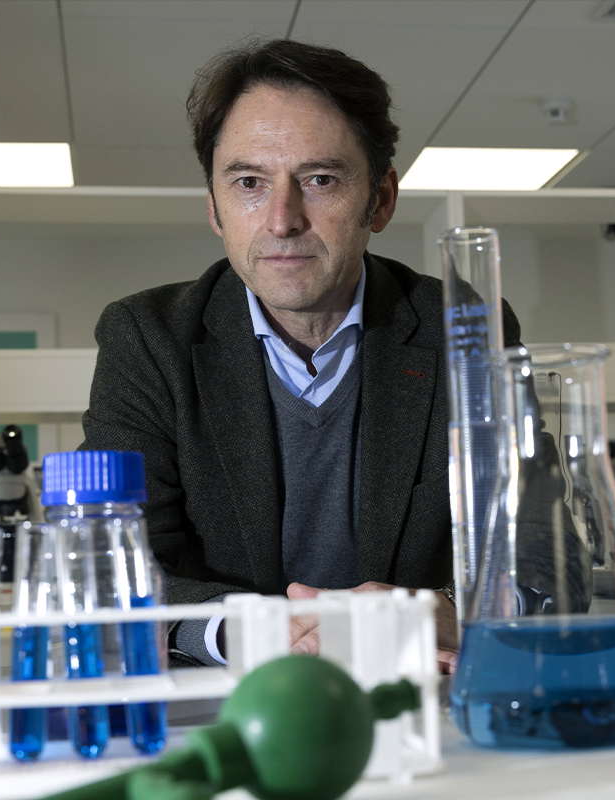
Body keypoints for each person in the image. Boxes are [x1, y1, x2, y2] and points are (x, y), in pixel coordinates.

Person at [80, 39, 519, 672]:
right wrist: (257, 632)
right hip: (227, 698)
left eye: (320, 180)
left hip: (418, 687)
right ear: (215, 208)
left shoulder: (465, 329)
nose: (282, 220)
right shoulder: (147, 338)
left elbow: (535, 548)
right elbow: (110, 564)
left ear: (381, 199)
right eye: (249, 183)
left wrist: (445, 609)